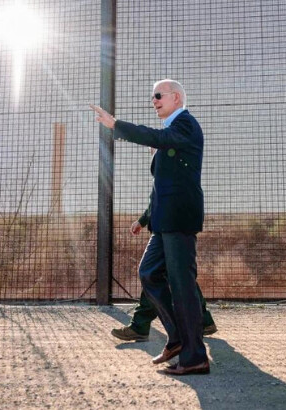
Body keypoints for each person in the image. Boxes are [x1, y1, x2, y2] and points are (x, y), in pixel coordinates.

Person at [91, 79, 209, 375]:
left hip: (179, 220)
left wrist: (116, 124)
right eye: (152, 97)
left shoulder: (185, 124)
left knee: (182, 286)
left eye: (158, 96)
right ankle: (179, 338)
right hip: (163, 222)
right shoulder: (172, 131)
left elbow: (157, 138)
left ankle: (195, 356)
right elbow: (162, 185)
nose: (153, 100)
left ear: (177, 97)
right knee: (148, 273)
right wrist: (145, 219)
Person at [111, 204, 217, 342]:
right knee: (159, 274)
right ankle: (203, 321)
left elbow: (163, 196)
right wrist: (143, 220)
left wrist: (143, 220)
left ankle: (142, 326)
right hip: (169, 226)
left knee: (164, 275)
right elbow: (160, 197)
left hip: (173, 227)